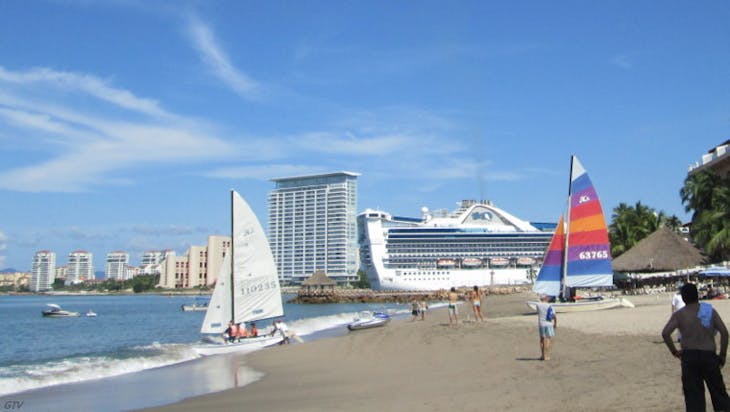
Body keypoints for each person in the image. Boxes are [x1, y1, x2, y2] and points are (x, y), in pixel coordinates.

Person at [662, 283, 730, 412]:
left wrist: (674, 352)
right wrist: (722, 355)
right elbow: (724, 333)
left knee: (694, 398)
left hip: (689, 356)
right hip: (708, 355)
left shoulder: (680, 314)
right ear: (697, 295)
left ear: (683, 297)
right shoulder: (709, 311)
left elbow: (665, 333)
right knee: (719, 394)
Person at [535, 294, 557, 361]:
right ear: (546, 298)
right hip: (549, 324)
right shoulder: (550, 306)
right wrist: (555, 323)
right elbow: (554, 316)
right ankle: (547, 355)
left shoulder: (538, 305)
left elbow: (538, 312)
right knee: (548, 339)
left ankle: (542, 355)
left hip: (541, 324)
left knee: (542, 340)